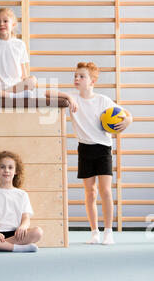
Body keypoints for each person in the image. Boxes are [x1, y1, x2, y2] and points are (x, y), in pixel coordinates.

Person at [46, 61, 133, 245]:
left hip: (103, 149)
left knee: (106, 191)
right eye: (76, 76)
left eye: (82, 76)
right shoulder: (72, 98)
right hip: (84, 149)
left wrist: (128, 120)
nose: (77, 79)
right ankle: (94, 231)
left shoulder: (103, 100)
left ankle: (108, 231)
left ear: (92, 81)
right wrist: (67, 98)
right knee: (90, 192)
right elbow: (47, 93)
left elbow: (126, 113)